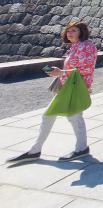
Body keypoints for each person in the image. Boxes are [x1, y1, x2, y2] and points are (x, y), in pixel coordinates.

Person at [7, 21, 97, 164]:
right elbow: (75, 68)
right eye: (68, 31)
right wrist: (60, 72)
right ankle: (81, 148)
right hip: (69, 86)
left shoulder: (86, 46)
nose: (70, 33)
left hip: (76, 87)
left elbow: (86, 69)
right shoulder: (75, 46)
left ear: (81, 32)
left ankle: (35, 151)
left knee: (51, 115)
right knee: (74, 117)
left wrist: (62, 72)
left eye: (74, 30)